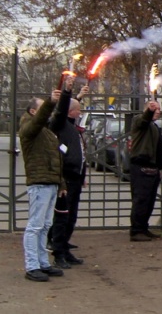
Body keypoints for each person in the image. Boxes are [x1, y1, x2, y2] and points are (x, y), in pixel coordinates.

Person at [19, 86, 67, 282]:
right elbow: (38, 121)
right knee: (35, 225)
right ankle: (32, 266)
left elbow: (56, 158)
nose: (49, 112)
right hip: (39, 183)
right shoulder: (29, 128)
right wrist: (50, 102)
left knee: (46, 225)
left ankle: (42, 262)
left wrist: (61, 183)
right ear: (33, 111)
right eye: (43, 108)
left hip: (50, 183)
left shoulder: (46, 133)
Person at [48, 80, 87, 269]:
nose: (80, 112)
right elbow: (62, 110)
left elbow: (80, 153)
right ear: (71, 112)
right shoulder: (61, 124)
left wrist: (83, 174)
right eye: (78, 109)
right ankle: (58, 253)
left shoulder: (73, 127)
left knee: (71, 217)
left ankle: (65, 248)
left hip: (76, 178)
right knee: (62, 218)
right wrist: (67, 92)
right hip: (65, 179)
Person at [128, 100, 162, 242]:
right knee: (141, 199)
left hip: (153, 167)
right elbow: (143, 120)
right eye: (154, 109)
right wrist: (149, 112)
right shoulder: (139, 121)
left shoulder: (154, 126)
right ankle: (136, 230)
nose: (158, 111)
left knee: (149, 201)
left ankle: (143, 228)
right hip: (141, 166)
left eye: (158, 109)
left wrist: (160, 168)